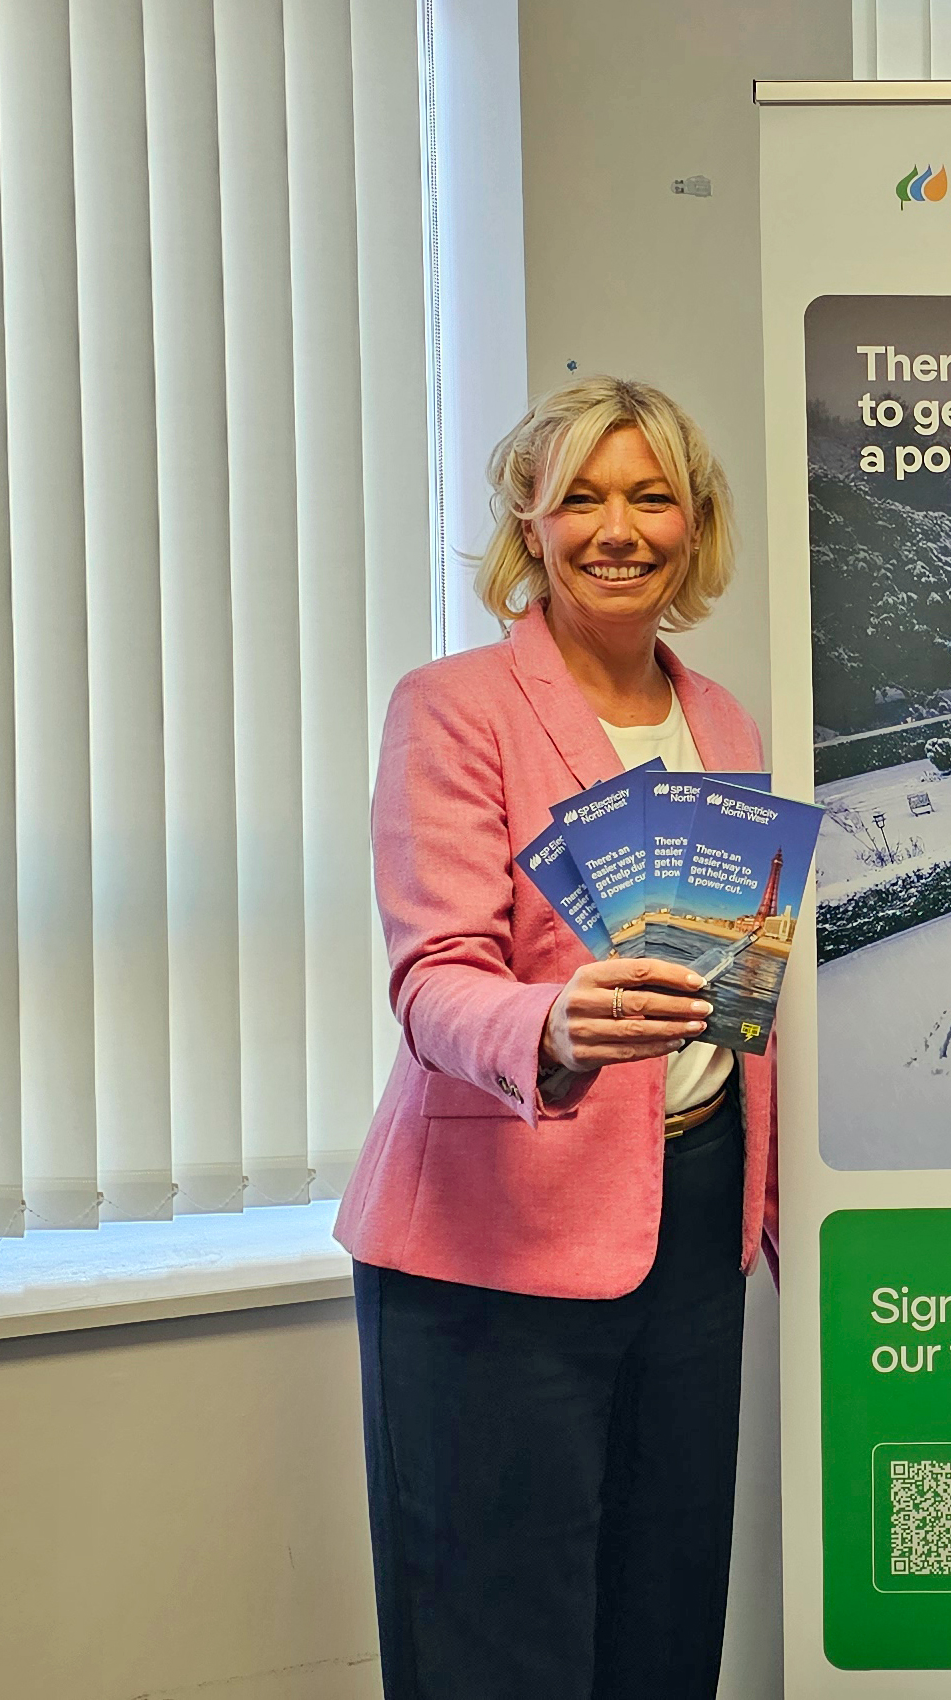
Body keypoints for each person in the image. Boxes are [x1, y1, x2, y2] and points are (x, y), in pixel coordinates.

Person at [335, 377, 775, 1700]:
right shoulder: (455, 705)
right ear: (527, 524)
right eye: (579, 496)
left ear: (695, 522)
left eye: (650, 496)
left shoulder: (724, 718)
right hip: (498, 1234)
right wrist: (553, 1024)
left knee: (664, 1619)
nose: (617, 528)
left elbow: (743, 983)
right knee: (497, 1642)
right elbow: (434, 978)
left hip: (693, 1214)